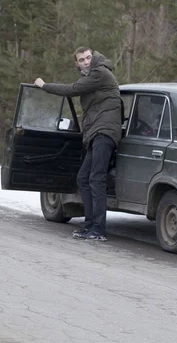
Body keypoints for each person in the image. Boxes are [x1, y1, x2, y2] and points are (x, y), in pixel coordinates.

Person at [34, 47, 122, 242]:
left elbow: (71, 90)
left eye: (88, 57)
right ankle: (90, 225)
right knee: (83, 177)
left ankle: (98, 229)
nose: (86, 62)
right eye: (82, 60)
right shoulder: (91, 76)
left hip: (104, 132)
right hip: (96, 133)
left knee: (96, 179)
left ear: (94, 57)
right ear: (77, 63)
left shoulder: (99, 72)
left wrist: (44, 85)